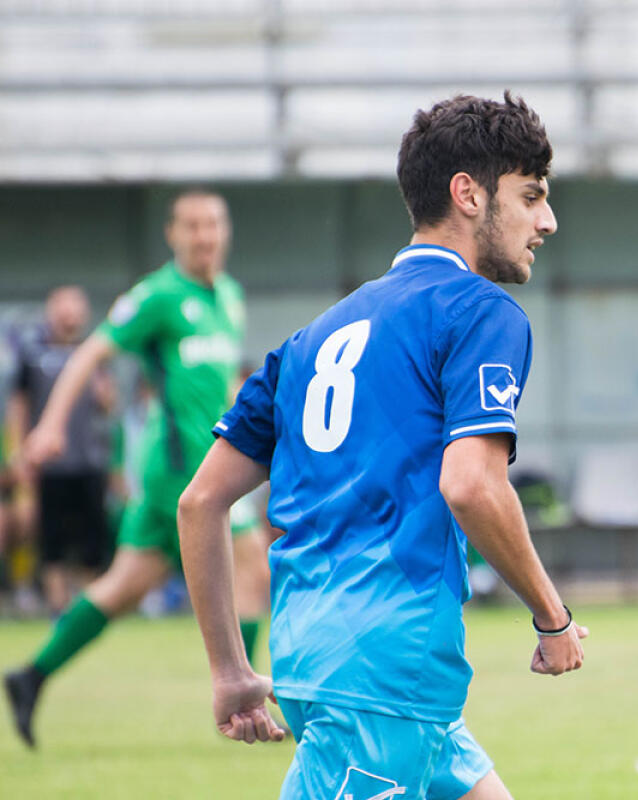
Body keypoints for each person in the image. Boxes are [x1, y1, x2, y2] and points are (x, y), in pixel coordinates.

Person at [178, 91, 587, 800]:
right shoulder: (480, 313)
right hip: (384, 673)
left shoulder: (308, 341)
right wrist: (553, 617)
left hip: (324, 656)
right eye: (531, 196)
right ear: (467, 194)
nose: (546, 221)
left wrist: (230, 670)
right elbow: (472, 485)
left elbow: (201, 502)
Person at [3, 189, 270, 748]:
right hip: (182, 470)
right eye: (192, 226)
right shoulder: (157, 296)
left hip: (203, 464)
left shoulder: (229, 295)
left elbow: (217, 384)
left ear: (226, 231)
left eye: (213, 224)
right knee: (252, 568)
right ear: (173, 234)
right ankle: (243, 697)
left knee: (123, 588)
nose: (204, 236)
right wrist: (50, 426)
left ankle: (31, 676)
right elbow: (90, 354)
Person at [6, 286, 116, 614]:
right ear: (52, 311)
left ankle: (87, 609)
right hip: (51, 464)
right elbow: (19, 406)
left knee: (92, 540)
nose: (70, 315)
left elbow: (108, 405)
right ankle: (56, 607)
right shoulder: (33, 354)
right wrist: (19, 451)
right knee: (51, 539)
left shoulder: (93, 353)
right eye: (63, 308)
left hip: (89, 462)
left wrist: (101, 388)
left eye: (76, 308)